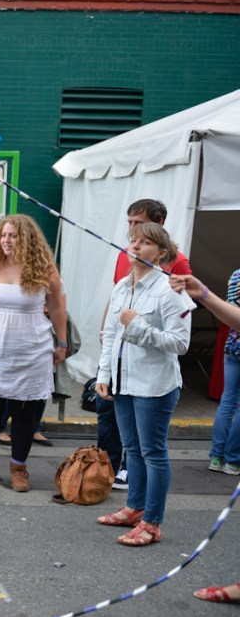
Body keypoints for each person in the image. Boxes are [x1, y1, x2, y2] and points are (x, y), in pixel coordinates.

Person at [95, 222, 190, 546]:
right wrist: (104, 375)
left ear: (161, 253)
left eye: (145, 242)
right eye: (133, 241)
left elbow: (180, 343)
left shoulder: (169, 289)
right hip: (124, 383)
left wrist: (136, 327)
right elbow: (110, 335)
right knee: (132, 449)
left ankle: (152, 522)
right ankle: (134, 507)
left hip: (155, 385)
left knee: (153, 452)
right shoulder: (122, 286)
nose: (135, 246)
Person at [0, 214, 67, 492]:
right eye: (3, 235)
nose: (6, 241)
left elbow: (57, 307)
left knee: (24, 416)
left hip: (30, 349)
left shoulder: (45, 269)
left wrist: (63, 342)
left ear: (27, 239)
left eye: (13, 236)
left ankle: (19, 468)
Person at [171, 272, 240, 603]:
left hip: (232, 350)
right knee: (230, 403)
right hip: (235, 348)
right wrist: (206, 295)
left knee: (230, 403)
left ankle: (222, 456)